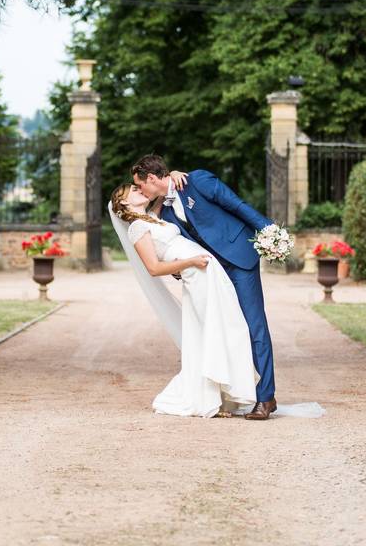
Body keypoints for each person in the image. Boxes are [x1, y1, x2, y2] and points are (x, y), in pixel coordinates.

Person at [131, 154, 278, 420]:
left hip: (240, 260)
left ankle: (266, 397)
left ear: (151, 178)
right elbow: (175, 245)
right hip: (212, 274)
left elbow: (237, 205)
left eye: (140, 186)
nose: (140, 191)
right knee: (232, 328)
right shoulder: (163, 213)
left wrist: (269, 231)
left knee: (255, 326)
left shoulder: (197, 180)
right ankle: (245, 391)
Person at [109, 183, 257, 418]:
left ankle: (219, 395)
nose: (141, 191)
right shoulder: (136, 228)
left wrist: (174, 174)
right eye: (135, 191)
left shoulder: (150, 218)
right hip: (196, 273)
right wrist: (191, 263)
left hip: (206, 270)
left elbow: (162, 189)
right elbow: (154, 268)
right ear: (124, 203)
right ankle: (207, 399)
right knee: (212, 330)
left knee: (226, 325)